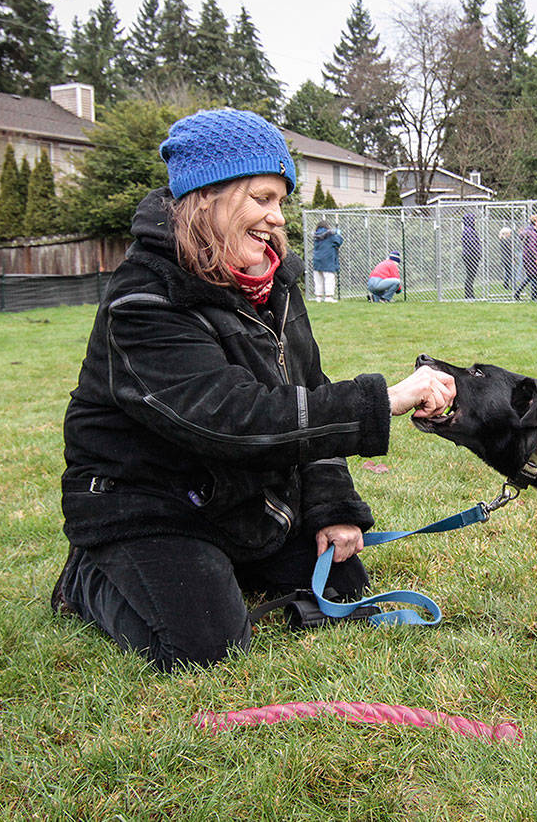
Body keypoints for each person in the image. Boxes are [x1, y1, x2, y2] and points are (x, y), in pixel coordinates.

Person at [50, 109, 456, 672]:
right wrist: (382, 400)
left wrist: (331, 509)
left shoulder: (276, 283)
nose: (276, 218)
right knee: (204, 647)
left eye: (281, 202)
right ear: (207, 196)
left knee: (342, 582)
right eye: (262, 198)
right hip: (146, 500)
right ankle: (88, 577)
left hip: (238, 495)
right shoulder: (143, 299)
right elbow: (232, 418)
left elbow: (305, 389)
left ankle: (215, 562)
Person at [311, 219, 342, 302]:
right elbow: (338, 242)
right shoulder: (330, 235)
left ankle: (318, 296)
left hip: (317, 260)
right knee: (329, 278)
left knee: (318, 279)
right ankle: (328, 297)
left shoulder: (316, 236)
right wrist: (338, 235)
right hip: (328, 260)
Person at [514, 215, 537, 301]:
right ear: (536, 222)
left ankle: (518, 293)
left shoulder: (528, 231)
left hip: (527, 256)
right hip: (531, 257)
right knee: (533, 275)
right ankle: (533, 297)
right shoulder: (533, 233)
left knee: (532, 275)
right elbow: (531, 247)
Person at [460, 212, 481, 299]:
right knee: (470, 275)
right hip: (471, 255)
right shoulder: (468, 231)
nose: (475, 221)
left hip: (471, 255)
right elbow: (471, 244)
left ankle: (470, 294)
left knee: (471, 275)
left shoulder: (470, 230)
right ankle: (469, 294)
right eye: (473, 219)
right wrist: (477, 252)